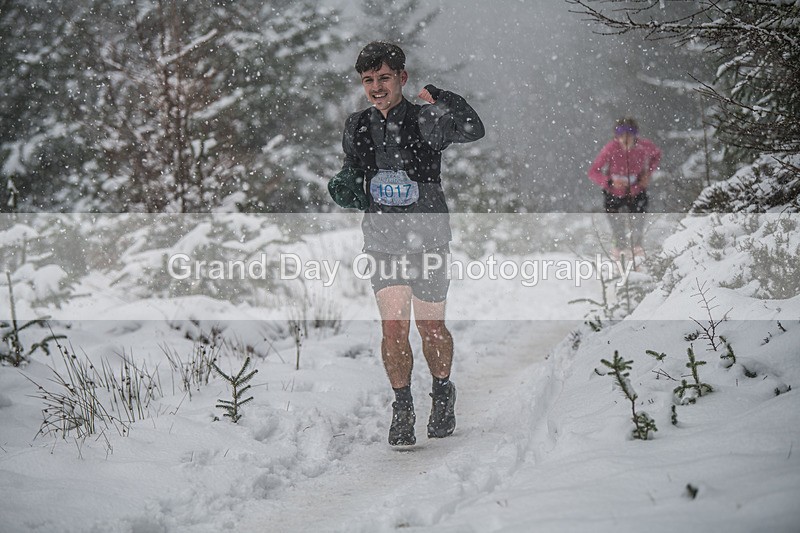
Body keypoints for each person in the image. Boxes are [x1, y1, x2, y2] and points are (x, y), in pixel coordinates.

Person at [328, 41, 485, 446]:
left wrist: (445, 97)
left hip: (429, 236)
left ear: (402, 77)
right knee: (394, 328)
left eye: (384, 78)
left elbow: (473, 129)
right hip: (382, 237)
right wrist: (347, 183)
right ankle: (402, 407)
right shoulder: (357, 125)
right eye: (368, 80)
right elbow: (353, 168)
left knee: (430, 325)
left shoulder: (426, 118)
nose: (377, 87)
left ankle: (442, 391)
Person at [587, 116, 661, 258]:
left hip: (637, 191)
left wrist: (648, 174)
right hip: (613, 193)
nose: (625, 137)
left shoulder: (644, 146)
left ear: (636, 134)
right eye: (620, 133)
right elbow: (593, 172)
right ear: (616, 135)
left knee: (637, 230)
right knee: (618, 230)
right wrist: (609, 182)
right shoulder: (611, 148)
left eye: (630, 132)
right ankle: (619, 257)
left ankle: (638, 259)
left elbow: (657, 155)